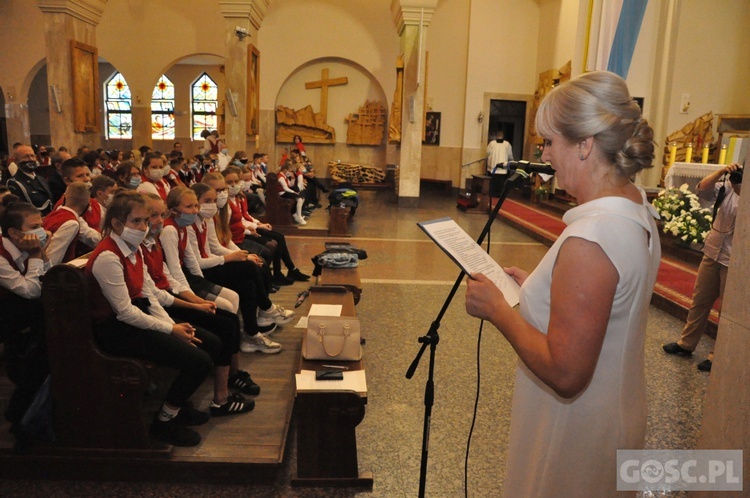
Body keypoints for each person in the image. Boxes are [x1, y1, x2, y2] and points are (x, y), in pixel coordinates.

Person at [464, 71, 660, 496]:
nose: (544, 154)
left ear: (585, 145)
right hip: (614, 411)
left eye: (550, 142)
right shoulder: (635, 206)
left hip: (575, 430)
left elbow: (566, 372)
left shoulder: (593, 236)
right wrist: (534, 286)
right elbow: (608, 308)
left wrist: (498, 310)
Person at [85, 190, 219, 446]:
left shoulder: (132, 248)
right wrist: (169, 331)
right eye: (136, 221)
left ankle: (179, 405)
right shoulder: (108, 256)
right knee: (199, 361)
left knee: (210, 342)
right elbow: (124, 311)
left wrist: (172, 325)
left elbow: (150, 294)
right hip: (115, 330)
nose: (144, 227)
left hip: (137, 318)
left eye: (146, 221)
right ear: (116, 223)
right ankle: (164, 422)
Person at [662, 163, 742, 372]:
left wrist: (741, 188)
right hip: (713, 251)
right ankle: (686, 344)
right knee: (700, 300)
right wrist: (722, 172)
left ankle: (716, 355)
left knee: (725, 310)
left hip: (733, 258)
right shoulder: (726, 185)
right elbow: (703, 190)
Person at [0, 195, 51, 444]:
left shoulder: (26, 248)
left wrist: (42, 253)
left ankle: (24, 411)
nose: (41, 231)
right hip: (5, 317)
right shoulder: (1, 255)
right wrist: (35, 255)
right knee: (44, 344)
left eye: (41, 225)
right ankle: (23, 414)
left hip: (19, 313)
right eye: (34, 228)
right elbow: (31, 290)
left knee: (48, 338)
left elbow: (47, 277)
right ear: (13, 232)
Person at [6, 144, 54, 216]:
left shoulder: (41, 179)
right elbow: (21, 210)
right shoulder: (14, 183)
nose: (31, 159)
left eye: (32, 156)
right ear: (16, 161)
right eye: (26, 157)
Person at [485, 131, 514, 197]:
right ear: (503, 136)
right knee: (501, 183)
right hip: (502, 168)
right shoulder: (507, 144)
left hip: (493, 167)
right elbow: (510, 156)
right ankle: (499, 194)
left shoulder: (492, 144)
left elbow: (487, 154)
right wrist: (512, 161)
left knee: (493, 182)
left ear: (496, 136)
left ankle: (492, 194)